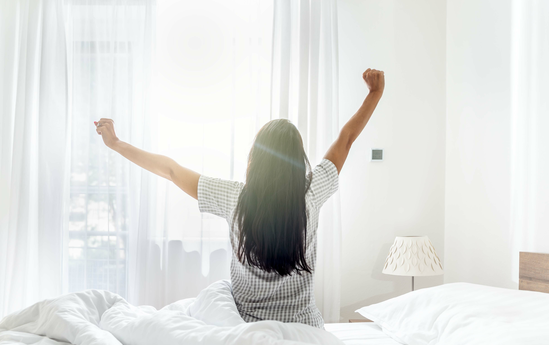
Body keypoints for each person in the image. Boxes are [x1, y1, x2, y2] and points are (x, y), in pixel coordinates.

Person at [95, 68, 385, 328]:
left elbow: (171, 170)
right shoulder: (312, 192)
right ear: (299, 161)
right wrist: (374, 94)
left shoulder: (234, 198)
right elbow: (346, 138)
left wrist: (117, 144)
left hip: (245, 330)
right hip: (303, 328)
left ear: (255, 159)